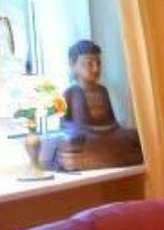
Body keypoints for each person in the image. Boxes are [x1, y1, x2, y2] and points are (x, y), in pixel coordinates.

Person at [55, 39, 144, 171]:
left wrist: (117, 129)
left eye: (98, 63)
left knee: (134, 136)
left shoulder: (103, 90)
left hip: (107, 134)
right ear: (73, 65)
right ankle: (93, 158)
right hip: (85, 136)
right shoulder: (70, 92)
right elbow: (63, 124)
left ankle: (109, 156)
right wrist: (75, 130)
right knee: (72, 141)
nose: (96, 69)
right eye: (89, 64)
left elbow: (112, 121)